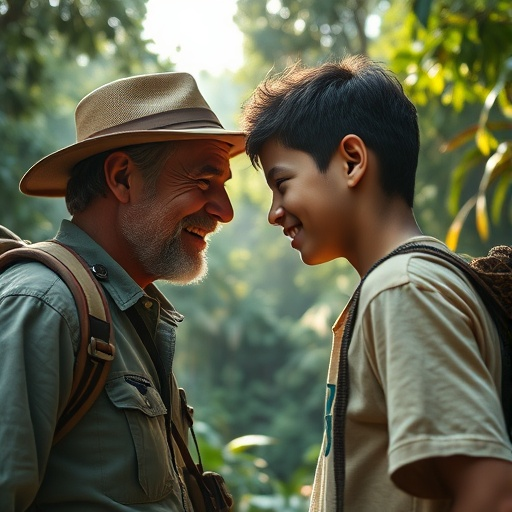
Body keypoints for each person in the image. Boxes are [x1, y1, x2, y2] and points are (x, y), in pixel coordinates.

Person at [240, 55, 512, 512]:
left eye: (282, 183)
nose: (274, 211)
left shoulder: (403, 289)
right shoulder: (407, 285)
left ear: (351, 161)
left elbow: (490, 492)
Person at [0, 71, 244, 511]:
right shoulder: (44, 305)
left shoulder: (126, 317)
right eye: (204, 181)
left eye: (224, 185)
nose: (224, 211)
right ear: (122, 179)